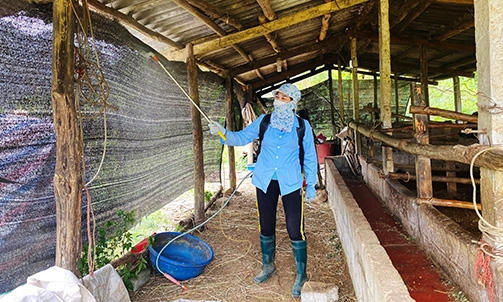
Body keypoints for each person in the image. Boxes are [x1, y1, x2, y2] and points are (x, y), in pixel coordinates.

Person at [208, 83, 318, 298]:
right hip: (265, 180)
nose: (278, 99)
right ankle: (269, 266)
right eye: (277, 95)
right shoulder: (264, 121)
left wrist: (311, 184)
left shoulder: (302, 126)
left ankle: (301, 274)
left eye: (284, 97)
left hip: (291, 182)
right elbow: (240, 138)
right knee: (266, 225)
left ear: (293, 102)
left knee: (295, 228)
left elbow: (311, 156)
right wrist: (223, 132)